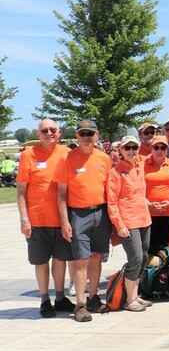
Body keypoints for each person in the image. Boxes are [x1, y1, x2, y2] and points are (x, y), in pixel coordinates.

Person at [17, 119, 74, 318]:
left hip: (62, 219)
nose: (48, 133)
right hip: (37, 220)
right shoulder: (28, 156)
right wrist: (24, 219)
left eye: (52, 130)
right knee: (41, 261)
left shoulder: (66, 153)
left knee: (61, 260)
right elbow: (21, 192)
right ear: (38, 134)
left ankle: (59, 297)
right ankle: (44, 299)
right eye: (44, 130)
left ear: (59, 132)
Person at [57, 120, 113, 322]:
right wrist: (65, 221)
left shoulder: (104, 158)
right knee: (81, 259)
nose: (87, 137)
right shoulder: (67, 159)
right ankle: (79, 304)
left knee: (97, 256)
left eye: (90, 133)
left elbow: (110, 189)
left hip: (101, 212)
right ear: (77, 136)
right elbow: (61, 194)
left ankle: (93, 298)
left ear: (97, 135)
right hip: (78, 214)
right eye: (83, 134)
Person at [106, 136, 153, 312]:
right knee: (135, 259)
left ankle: (135, 295)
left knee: (144, 257)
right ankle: (128, 299)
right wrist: (119, 225)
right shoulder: (115, 172)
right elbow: (112, 202)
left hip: (144, 219)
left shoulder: (139, 167)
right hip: (128, 221)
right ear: (121, 151)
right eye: (128, 148)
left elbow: (138, 194)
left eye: (134, 147)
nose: (132, 151)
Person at [143, 135, 169, 256]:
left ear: (167, 150)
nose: (159, 150)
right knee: (151, 249)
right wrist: (149, 204)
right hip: (149, 213)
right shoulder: (142, 165)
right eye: (156, 147)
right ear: (151, 148)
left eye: (163, 147)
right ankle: (152, 274)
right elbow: (137, 189)